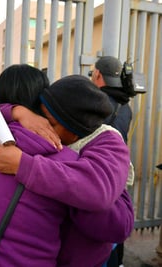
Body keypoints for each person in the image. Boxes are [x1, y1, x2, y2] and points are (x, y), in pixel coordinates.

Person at [0, 65, 133, 266]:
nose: (49, 129)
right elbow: (116, 227)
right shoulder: (66, 161)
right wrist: (17, 111)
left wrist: (22, 163)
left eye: (52, 122)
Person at [89, 56, 135, 267]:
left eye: (92, 72)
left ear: (98, 74)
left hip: (97, 176)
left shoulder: (96, 103)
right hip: (119, 173)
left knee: (99, 229)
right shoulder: (126, 107)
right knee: (115, 223)